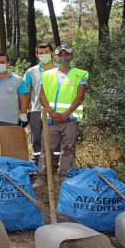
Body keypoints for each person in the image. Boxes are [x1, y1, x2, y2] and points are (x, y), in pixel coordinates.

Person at [35, 45, 89, 186]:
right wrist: (51, 112)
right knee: (46, 149)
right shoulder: (46, 75)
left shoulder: (80, 74)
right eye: (60, 54)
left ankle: (64, 177)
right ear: (56, 57)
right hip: (51, 119)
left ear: (71, 56)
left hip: (70, 120)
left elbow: (80, 97)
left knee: (68, 149)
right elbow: (41, 95)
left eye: (67, 54)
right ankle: (42, 177)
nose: (63, 57)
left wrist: (66, 114)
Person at [24, 42, 61, 165]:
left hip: (56, 110)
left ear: (52, 53)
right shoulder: (31, 71)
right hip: (36, 110)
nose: (44, 55)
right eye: (41, 53)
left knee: (55, 138)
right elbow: (27, 93)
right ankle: (38, 164)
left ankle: (54, 164)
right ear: (36, 55)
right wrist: (23, 112)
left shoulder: (60, 70)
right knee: (37, 138)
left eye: (46, 52)